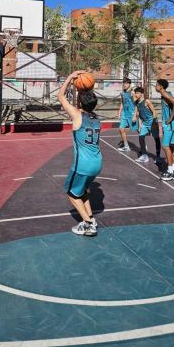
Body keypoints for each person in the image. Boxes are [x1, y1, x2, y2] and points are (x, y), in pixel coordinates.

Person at [57, 71, 102, 237]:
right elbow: (88, 102)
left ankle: (89, 225)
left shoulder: (77, 115)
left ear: (80, 102)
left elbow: (60, 96)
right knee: (82, 192)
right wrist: (86, 88)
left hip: (83, 164)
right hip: (97, 163)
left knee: (71, 193)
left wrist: (70, 77)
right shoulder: (97, 118)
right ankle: (90, 218)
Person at [155, 79, 174, 181]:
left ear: (161, 86)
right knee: (171, 147)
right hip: (173, 124)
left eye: (156, 85)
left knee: (165, 147)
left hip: (169, 125)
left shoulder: (165, 94)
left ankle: (170, 172)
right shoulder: (167, 93)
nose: (155, 87)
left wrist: (170, 118)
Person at [132, 87, 162, 164]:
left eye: (138, 93)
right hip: (145, 123)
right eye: (135, 93)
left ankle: (158, 156)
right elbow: (137, 113)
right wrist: (136, 119)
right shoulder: (136, 103)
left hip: (152, 121)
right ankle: (145, 156)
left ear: (142, 94)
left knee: (156, 139)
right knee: (141, 137)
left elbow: (154, 111)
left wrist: (154, 122)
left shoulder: (147, 101)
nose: (136, 94)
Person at [118, 78, 138, 152]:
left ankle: (143, 146)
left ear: (129, 84)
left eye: (126, 83)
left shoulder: (132, 93)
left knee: (137, 130)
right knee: (121, 129)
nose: (124, 84)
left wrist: (135, 115)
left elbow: (136, 104)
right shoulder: (122, 93)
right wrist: (120, 111)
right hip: (124, 114)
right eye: (124, 83)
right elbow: (122, 103)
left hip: (131, 113)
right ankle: (126, 146)